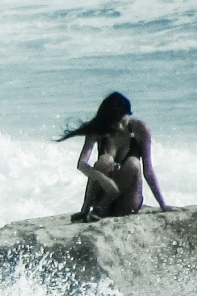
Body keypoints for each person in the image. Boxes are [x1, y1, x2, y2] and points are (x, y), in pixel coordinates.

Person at [58, 91, 172, 221]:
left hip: (127, 203)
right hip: (101, 199)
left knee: (133, 163)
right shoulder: (99, 131)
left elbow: (148, 169)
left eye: (122, 121)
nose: (118, 126)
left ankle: (99, 209)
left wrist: (163, 204)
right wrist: (104, 180)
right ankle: (91, 209)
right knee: (104, 161)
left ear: (129, 114)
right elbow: (82, 164)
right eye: (114, 122)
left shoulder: (140, 129)